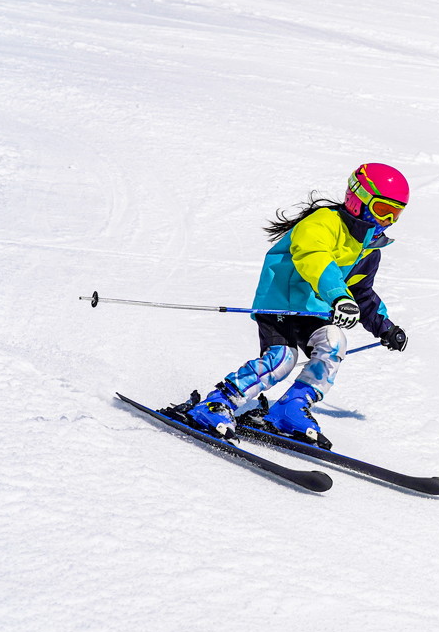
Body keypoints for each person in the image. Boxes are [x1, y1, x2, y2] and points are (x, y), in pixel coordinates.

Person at [173, 163, 410, 449]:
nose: (389, 220)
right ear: (357, 199)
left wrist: (385, 327)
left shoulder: (369, 248)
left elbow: (362, 292)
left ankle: (290, 409)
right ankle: (216, 404)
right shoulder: (323, 223)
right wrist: (339, 296)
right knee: (282, 359)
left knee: (334, 342)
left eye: (396, 213)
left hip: (316, 310)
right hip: (281, 303)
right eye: (383, 209)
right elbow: (315, 258)